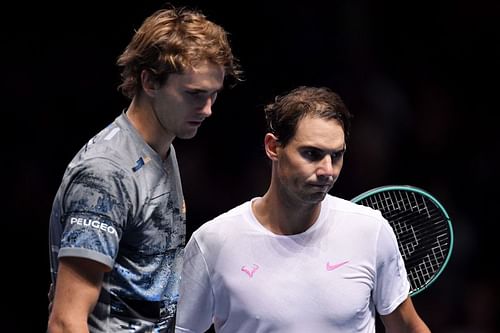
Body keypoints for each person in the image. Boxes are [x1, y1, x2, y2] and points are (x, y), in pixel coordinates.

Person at [47, 5, 242, 333]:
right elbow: (66, 321)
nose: (208, 110)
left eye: (213, 95)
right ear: (150, 81)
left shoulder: (163, 149)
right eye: (195, 95)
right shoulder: (106, 174)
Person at [175, 86, 431, 332]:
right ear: (273, 147)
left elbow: (408, 327)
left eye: (336, 155)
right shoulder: (213, 243)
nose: (327, 171)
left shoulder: (371, 230)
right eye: (312, 154)